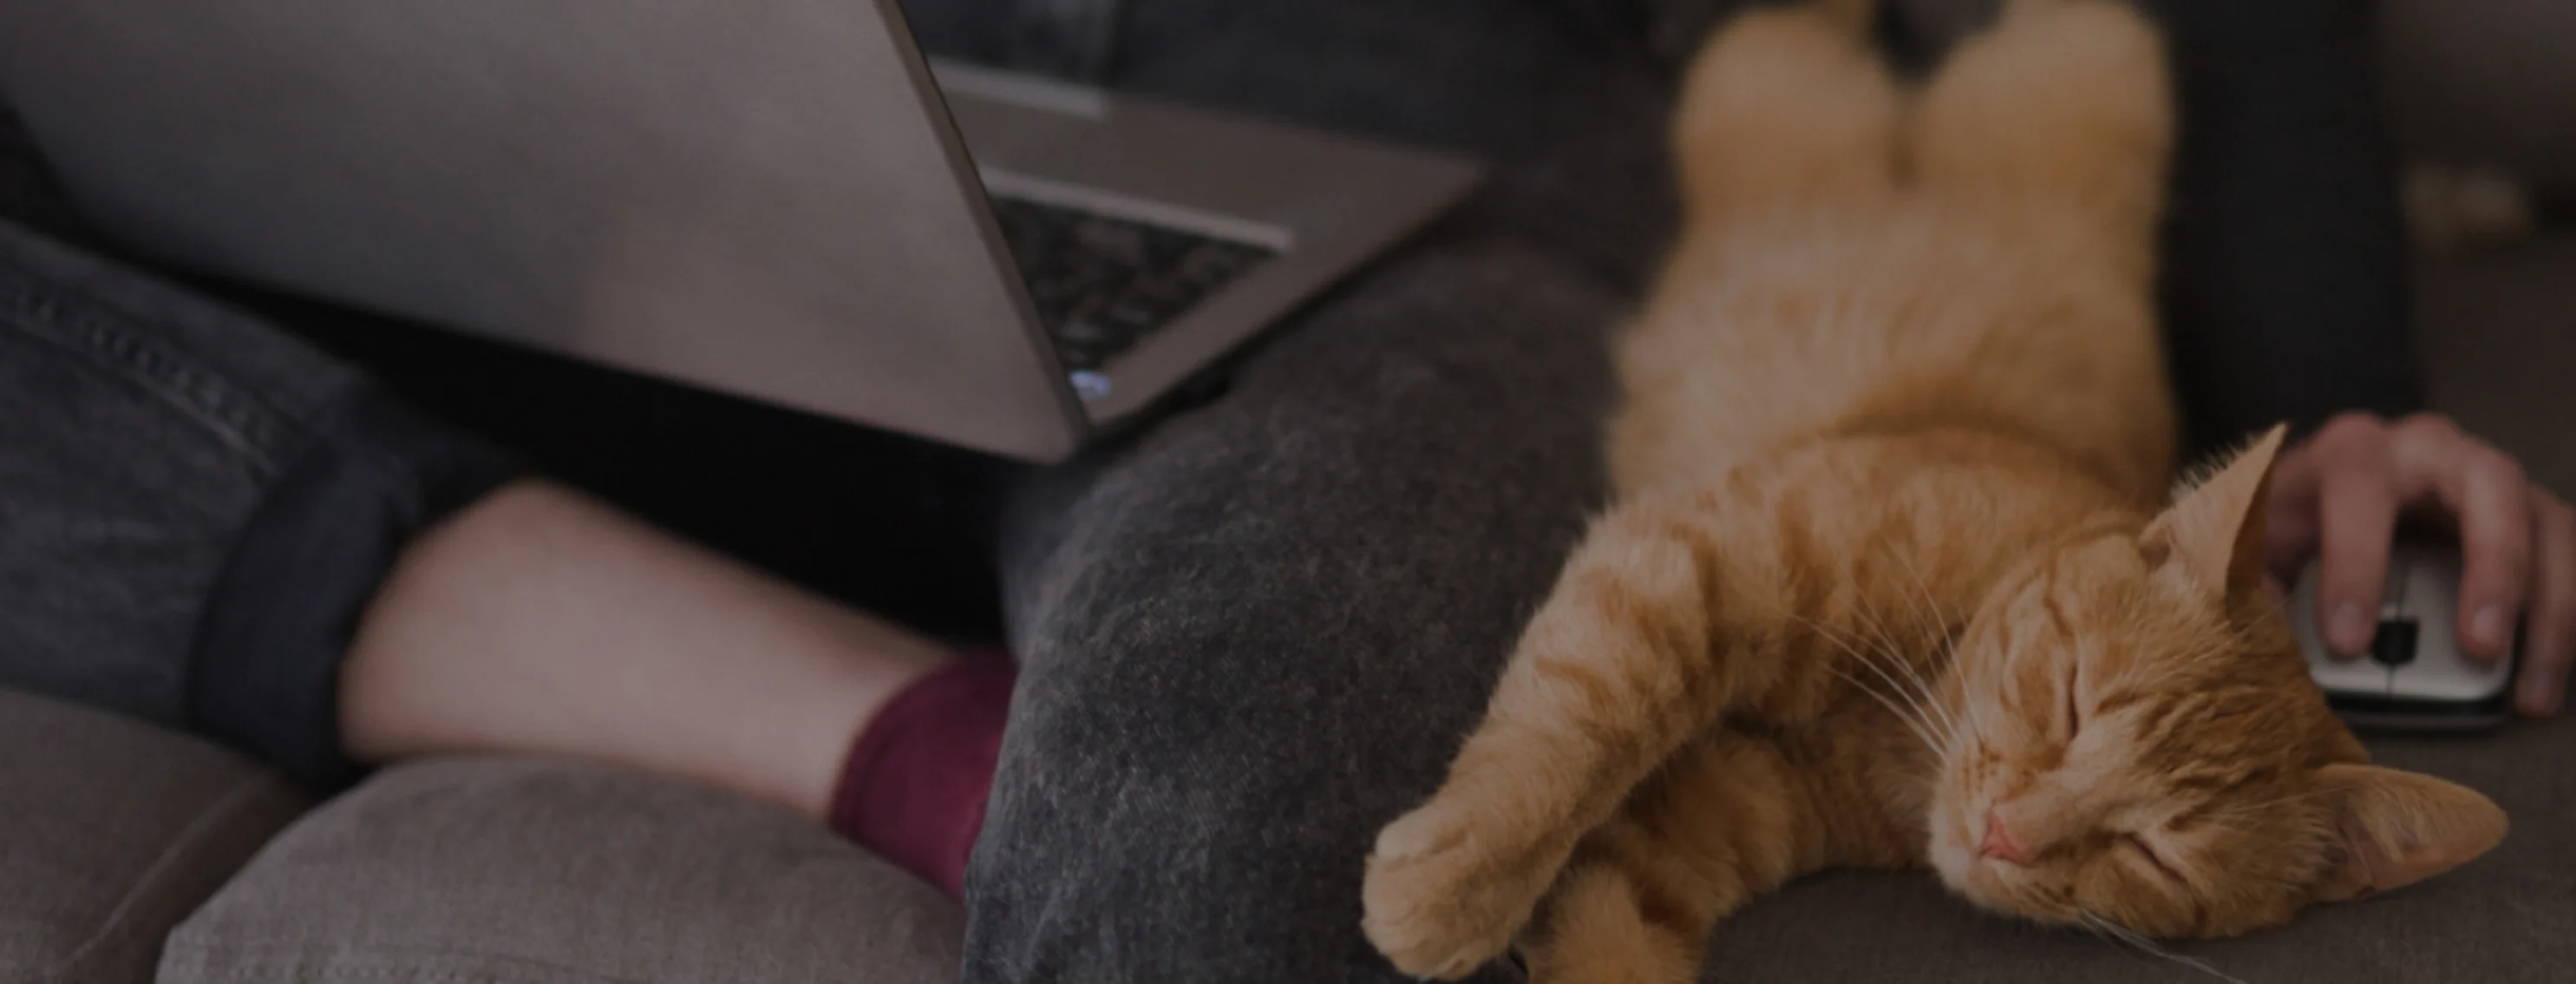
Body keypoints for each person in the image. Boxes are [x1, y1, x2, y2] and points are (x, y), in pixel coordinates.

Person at [0, 1, 2565, 983]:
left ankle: (985, 747)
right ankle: (891, 726)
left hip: (1424, 155)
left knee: (1260, 823)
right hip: (689, 79)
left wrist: (2327, 387)